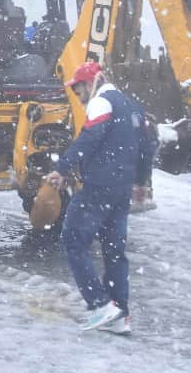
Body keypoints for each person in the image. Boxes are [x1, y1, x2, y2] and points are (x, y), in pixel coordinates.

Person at [45, 61, 156, 335]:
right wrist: (142, 181)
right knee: (114, 251)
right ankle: (120, 315)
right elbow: (148, 144)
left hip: (99, 187)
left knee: (72, 240)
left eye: (78, 89)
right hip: (121, 190)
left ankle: (99, 304)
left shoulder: (101, 102)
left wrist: (62, 168)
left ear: (89, 83)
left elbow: (89, 139)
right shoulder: (132, 106)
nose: (78, 96)